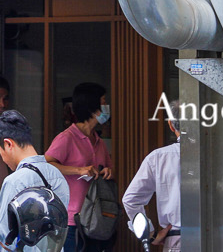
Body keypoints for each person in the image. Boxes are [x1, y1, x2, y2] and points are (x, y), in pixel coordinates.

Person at [0, 110, 69, 252]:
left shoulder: (14, 181)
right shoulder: (57, 175)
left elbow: (6, 240)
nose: (2, 159)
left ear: (8, 144)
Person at [42, 89, 110, 250]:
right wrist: (79, 170)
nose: (107, 107)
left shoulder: (99, 141)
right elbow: (47, 165)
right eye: (103, 102)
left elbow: (108, 167)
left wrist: (108, 171)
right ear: (91, 106)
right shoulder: (67, 137)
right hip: (72, 219)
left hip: (96, 219)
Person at [120, 119, 180, 250]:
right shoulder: (222, 156)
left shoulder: (159, 157)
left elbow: (130, 200)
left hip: (178, 241)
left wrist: (151, 234)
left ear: (170, 125)